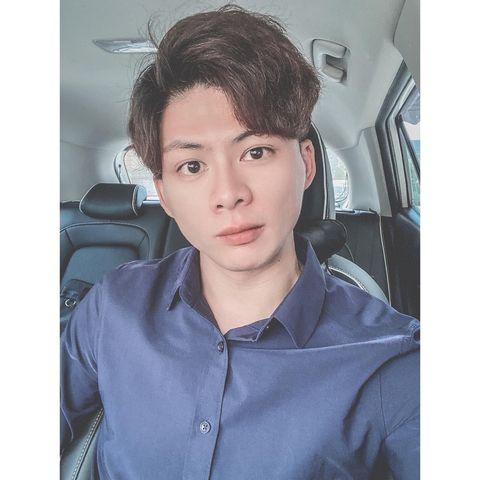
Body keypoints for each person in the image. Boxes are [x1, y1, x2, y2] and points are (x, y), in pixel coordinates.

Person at [61, 5, 419, 479]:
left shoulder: (391, 360)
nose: (228, 193)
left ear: (306, 164)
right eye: (192, 166)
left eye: (256, 152)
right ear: (164, 194)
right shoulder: (113, 306)